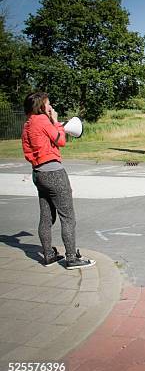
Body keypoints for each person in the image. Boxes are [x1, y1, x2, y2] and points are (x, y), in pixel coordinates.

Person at [22, 92, 95, 269]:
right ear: (40, 106)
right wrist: (55, 122)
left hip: (38, 173)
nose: (51, 107)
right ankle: (71, 258)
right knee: (68, 217)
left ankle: (48, 255)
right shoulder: (43, 120)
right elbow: (61, 140)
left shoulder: (27, 124)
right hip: (54, 172)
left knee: (46, 217)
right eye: (48, 104)